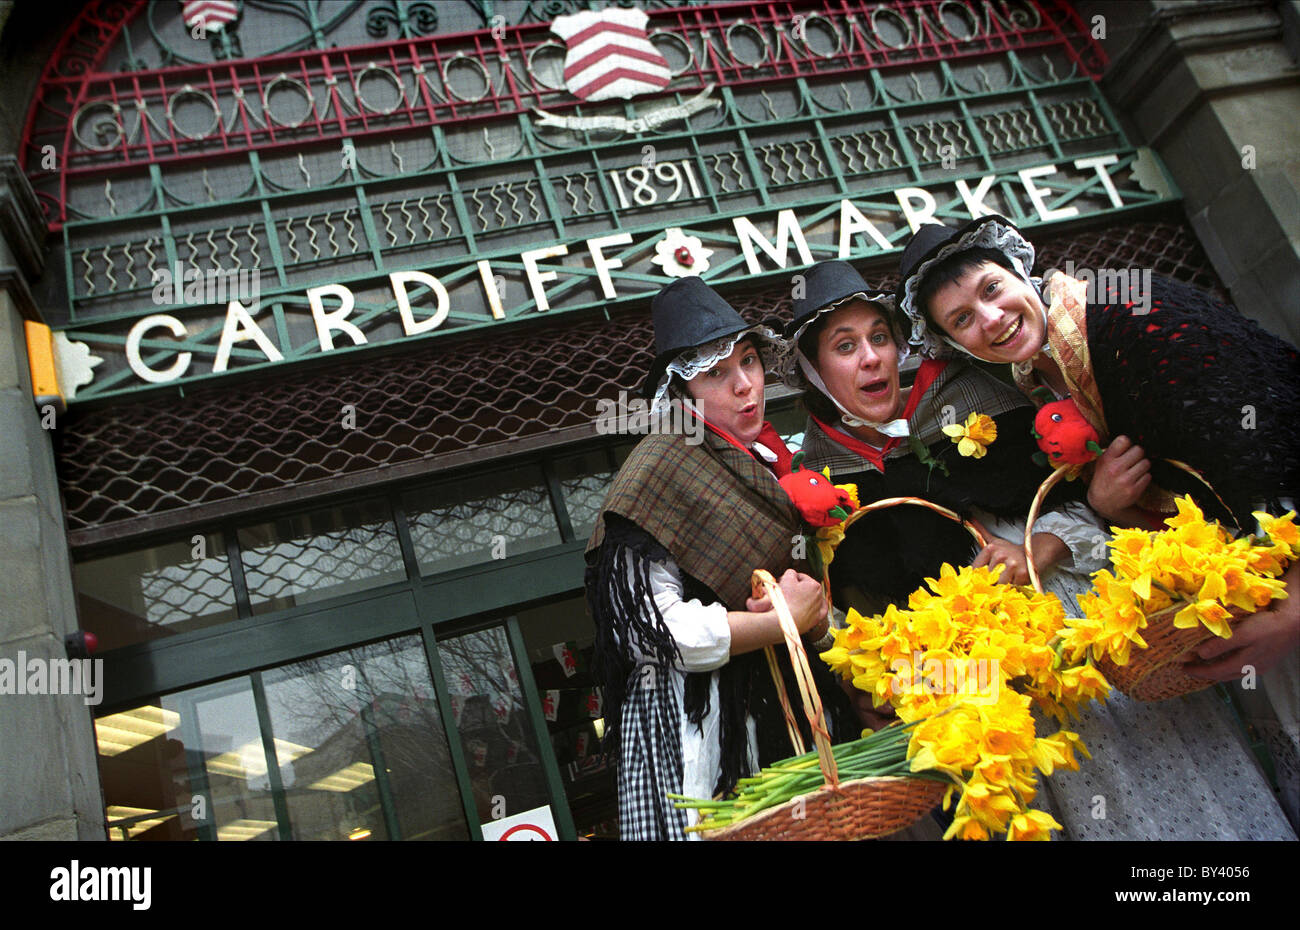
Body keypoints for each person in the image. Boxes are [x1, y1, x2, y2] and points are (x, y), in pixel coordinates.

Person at [893, 215, 1299, 837]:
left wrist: (1294, 608)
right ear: (953, 343)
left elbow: (1279, 437)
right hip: (1258, 583)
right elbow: (1178, 499)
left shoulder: (1132, 310)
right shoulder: (1042, 376)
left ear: (1019, 271)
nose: (991, 319)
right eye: (963, 319)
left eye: (992, 289)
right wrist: (1108, 506)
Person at [585, 276, 856, 841]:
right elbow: (650, 629)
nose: (744, 384)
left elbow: (808, 600)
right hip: (702, 726)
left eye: (749, 361)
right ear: (681, 393)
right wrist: (778, 624)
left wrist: (812, 620)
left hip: (789, 707)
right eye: (715, 373)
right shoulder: (660, 467)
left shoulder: (768, 462)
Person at [779, 260, 1105, 619]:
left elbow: (1090, 507)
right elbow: (845, 606)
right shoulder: (818, 476)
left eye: (879, 337)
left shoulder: (968, 396)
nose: (871, 357)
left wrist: (1038, 550)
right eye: (845, 346)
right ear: (813, 372)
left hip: (1072, 608)